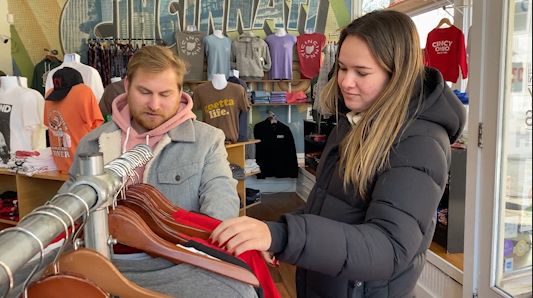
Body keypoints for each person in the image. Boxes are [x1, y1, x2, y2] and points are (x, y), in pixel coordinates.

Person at [211, 10, 466, 298]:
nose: (345, 81)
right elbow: (328, 205)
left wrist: (285, 236)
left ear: (398, 74)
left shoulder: (419, 144)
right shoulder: (354, 120)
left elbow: (389, 247)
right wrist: (280, 231)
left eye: (362, 72)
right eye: (343, 68)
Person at [59, 46, 255, 297]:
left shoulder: (207, 140)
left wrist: (208, 247)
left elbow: (221, 198)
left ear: (180, 93)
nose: (154, 104)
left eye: (165, 94)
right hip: (99, 261)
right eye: (144, 92)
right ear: (127, 85)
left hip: (177, 263)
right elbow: (67, 204)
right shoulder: (93, 142)